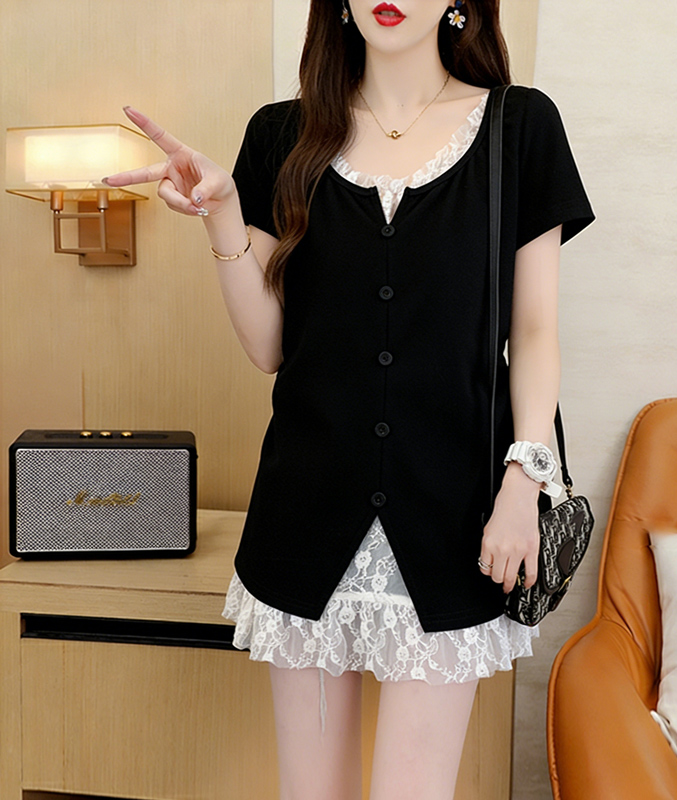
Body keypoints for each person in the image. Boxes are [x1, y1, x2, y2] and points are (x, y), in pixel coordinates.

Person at [104, 1, 594, 797]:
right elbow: (269, 346)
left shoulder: (519, 127)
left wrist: (524, 480)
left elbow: (534, 333)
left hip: (455, 524)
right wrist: (222, 216)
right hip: (305, 518)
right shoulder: (280, 136)